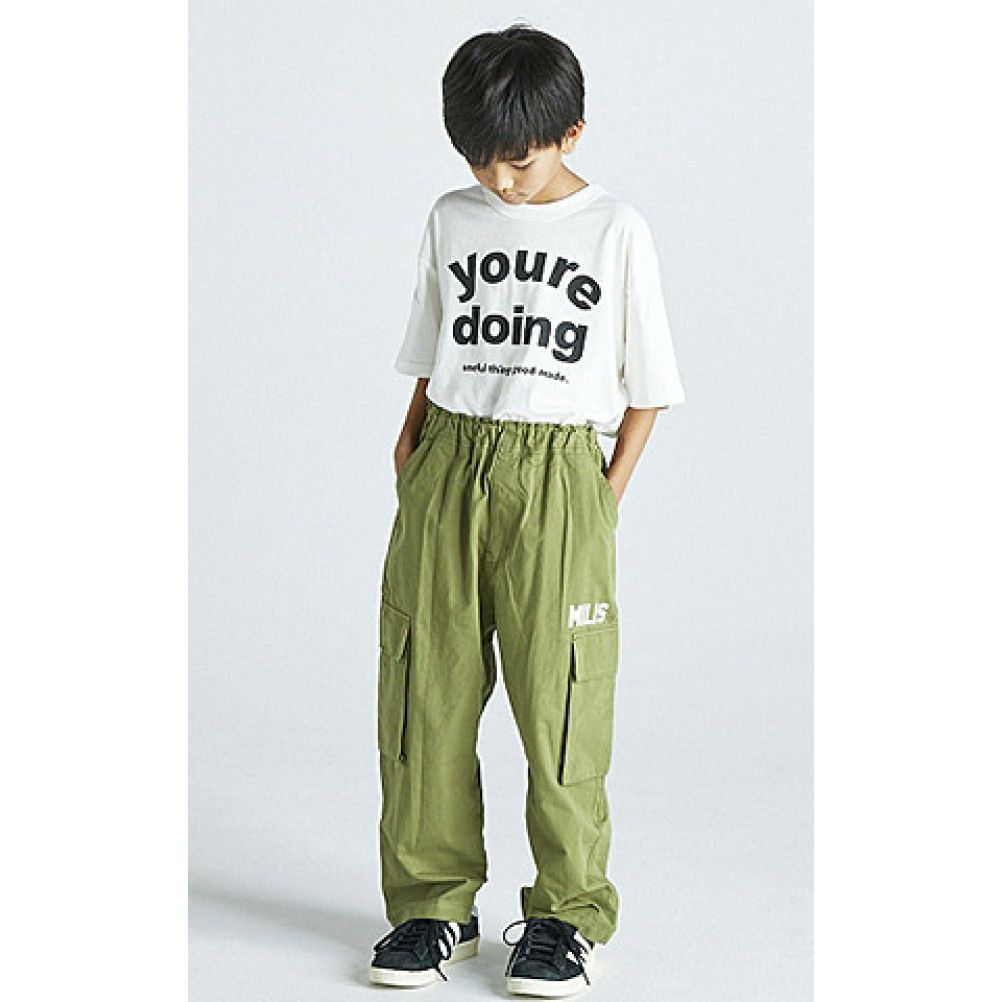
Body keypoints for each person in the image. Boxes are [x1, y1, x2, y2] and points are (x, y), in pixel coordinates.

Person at [369, 21, 686, 996]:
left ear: (571, 134)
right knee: (424, 689)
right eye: (480, 160)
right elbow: (430, 348)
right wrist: (412, 450)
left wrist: (602, 497)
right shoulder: (451, 217)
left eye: (519, 159)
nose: (500, 180)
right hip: (450, 459)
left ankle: (564, 915)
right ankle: (433, 908)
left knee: (563, 706)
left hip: (560, 476)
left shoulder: (615, 229)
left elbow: (648, 387)